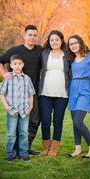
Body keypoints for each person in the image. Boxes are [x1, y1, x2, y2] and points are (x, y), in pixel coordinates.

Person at [0, 25, 42, 155]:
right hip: (16, 94)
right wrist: (4, 74)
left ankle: (25, 147)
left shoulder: (39, 50)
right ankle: (15, 150)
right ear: (25, 36)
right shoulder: (15, 50)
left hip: (33, 92)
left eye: (34, 35)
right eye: (30, 35)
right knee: (16, 121)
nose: (32, 37)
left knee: (34, 120)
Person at [67, 34, 90, 158]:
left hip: (85, 89)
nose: (73, 46)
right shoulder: (70, 59)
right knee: (74, 121)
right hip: (73, 89)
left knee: (78, 121)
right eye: (70, 44)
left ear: (80, 42)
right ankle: (78, 149)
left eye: (75, 43)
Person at [39, 30, 69, 158]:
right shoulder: (44, 53)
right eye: (52, 40)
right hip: (45, 93)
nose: (54, 42)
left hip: (62, 94)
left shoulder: (67, 54)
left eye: (57, 39)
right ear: (49, 41)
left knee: (58, 121)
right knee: (45, 121)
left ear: (62, 40)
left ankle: (54, 148)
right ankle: (46, 147)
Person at [0, 54, 35, 161]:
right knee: (11, 133)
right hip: (12, 111)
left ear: (23, 65)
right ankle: (10, 152)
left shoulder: (27, 78)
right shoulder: (8, 77)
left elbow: (31, 94)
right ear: (11, 65)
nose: (17, 66)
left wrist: (31, 106)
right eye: (15, 64)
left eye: (19, 64)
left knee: (24, 132)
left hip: (25, 111)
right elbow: (2, 93)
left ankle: (23, 152)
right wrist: (6, 106)